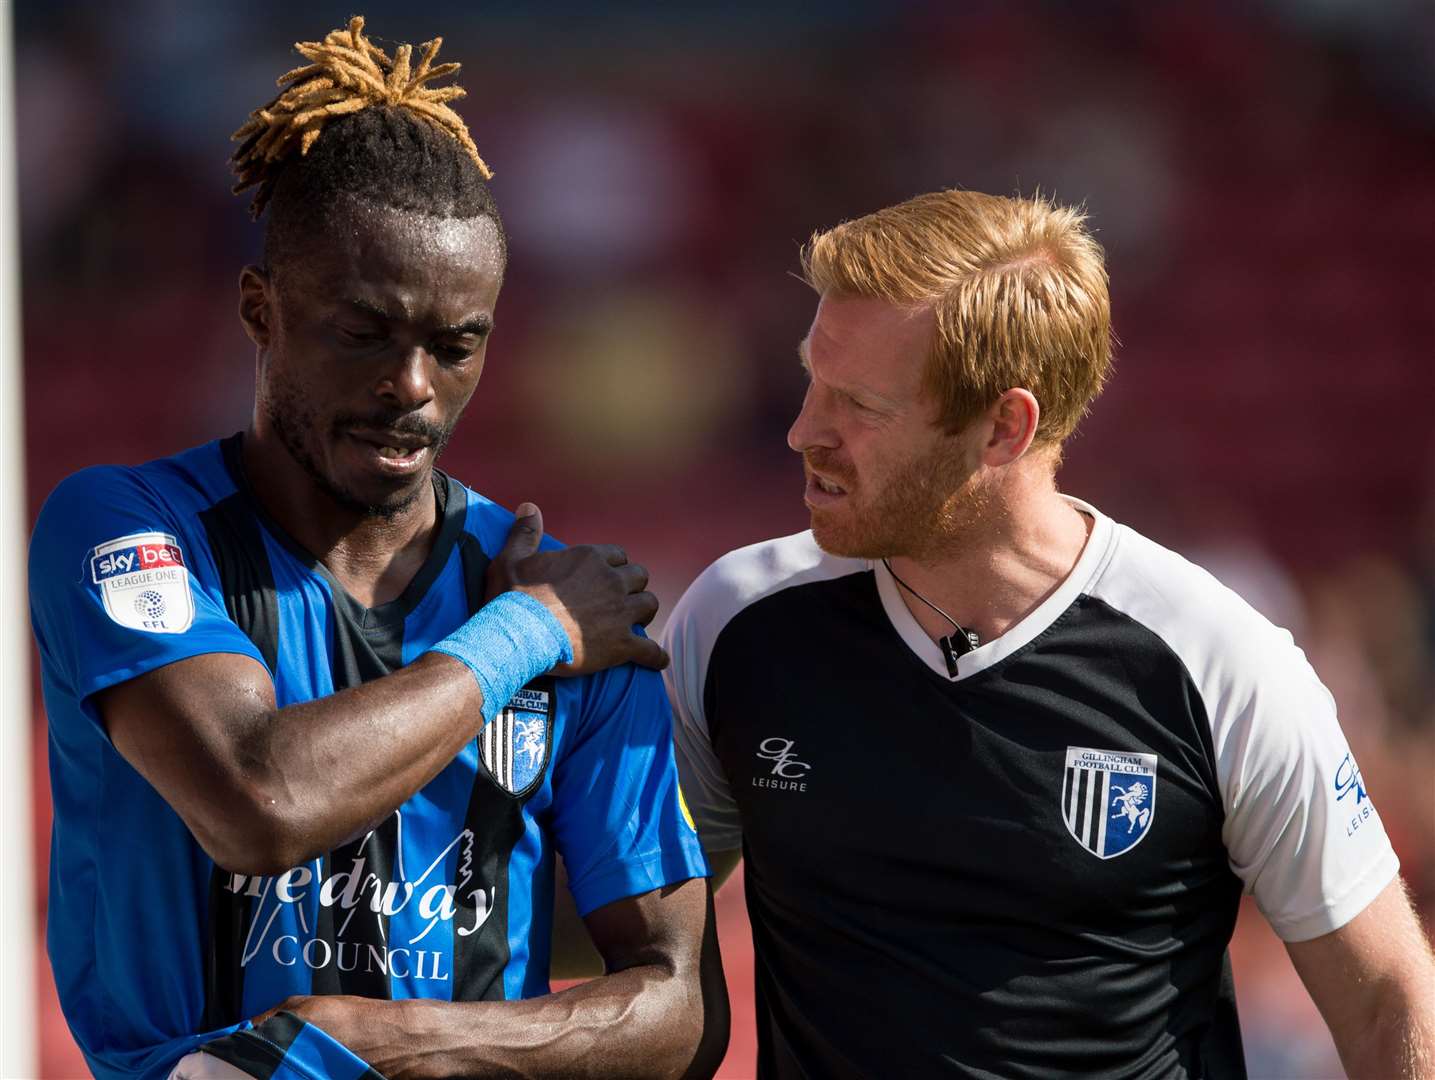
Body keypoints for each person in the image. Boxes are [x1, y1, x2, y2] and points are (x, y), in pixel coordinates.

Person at [29, 18, 726, 1080]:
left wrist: (391, 1046)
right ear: (260, 309)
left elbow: (676, 1009)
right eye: (366, 333)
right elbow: (257, 804)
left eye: (455, 346)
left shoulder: (572, 600)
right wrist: (520, 635)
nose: (412, 387)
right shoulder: (129, 530)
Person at [662, 189, 1435, 1077]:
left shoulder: (1220, 661)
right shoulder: (735, 620)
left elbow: (1386, 1002)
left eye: (860, 407)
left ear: (1004, 428)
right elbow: (627, 930)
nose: (804, 431)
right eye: (811, 382)